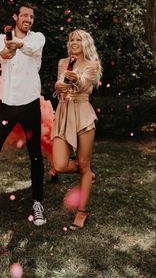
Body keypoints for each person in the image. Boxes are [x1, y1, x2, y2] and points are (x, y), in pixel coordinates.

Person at [0, 3, 47, 226]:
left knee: (35, 156)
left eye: (31, 16)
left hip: (30, 104)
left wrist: (18, 44)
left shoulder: (37, 38)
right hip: (6, 105)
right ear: (16, 17)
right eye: (24, 15)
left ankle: (38, 203)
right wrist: (8, 48)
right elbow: (1, 55)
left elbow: (30, 49)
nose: (28, 19)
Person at [52, 29, 102, 229]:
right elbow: (60, 85)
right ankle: (87, 173)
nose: (74, 42)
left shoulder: (92, 64)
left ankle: (82, 212)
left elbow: (83, 85)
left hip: (82, 114)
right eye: (71, 39)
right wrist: (58, 86)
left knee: (84, 162)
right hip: (64, 112)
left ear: (85, 44)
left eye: (78, 40)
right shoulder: (63, 63)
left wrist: (74, 79)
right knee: (60, 164)